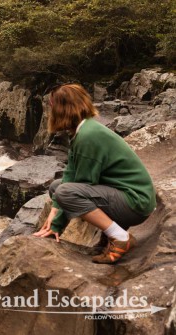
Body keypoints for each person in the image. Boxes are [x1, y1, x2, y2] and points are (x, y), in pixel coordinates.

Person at [33, 84, 156, 264]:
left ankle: (120, 238)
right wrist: (54, 211)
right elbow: (70, 173)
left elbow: (82, 184)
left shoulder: (88, 136)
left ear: (61, 108)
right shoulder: (83, 129)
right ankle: (111, 235)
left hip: (135, 203)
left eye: (52, 105)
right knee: (56, 187)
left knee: (65, 192)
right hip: (127, 196)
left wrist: (58, 223)